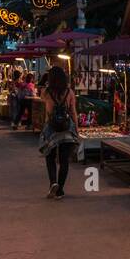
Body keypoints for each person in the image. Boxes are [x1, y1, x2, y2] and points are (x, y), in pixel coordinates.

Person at [39, 65, 79, 199]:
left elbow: (43, 99)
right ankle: (60, 190)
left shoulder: (46, 92)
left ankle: (53, 183)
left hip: (51, 128)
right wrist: (76, 130)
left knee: (49, 156)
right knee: (64, 160)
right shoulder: (70, 92)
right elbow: (73, 112)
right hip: (67, 129)